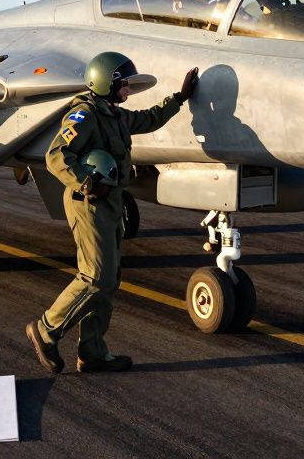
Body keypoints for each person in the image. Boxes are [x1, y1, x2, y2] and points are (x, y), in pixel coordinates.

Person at [27, 53, 199, 374]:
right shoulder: (84, 115)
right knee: (95, 277)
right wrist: (87, 183)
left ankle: (92, 353)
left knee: (109, 281)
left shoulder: (115, 115)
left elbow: (149, 119)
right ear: (106, 83)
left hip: (111, 204)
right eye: (123, 84)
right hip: (88, 203)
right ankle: (46, 330)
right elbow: (56, 155)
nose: (128, 90)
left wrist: (180, 97)